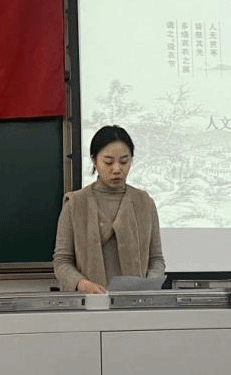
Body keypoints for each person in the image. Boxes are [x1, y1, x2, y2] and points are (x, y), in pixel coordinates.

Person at [52, 125, 165, 293]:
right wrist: (82, 283)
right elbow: (62, 261)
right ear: (94, 161)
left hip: (135, 302)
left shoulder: (144, 203)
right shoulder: (75, 204)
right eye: (108, 162)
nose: (117, 169)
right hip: (89, 302)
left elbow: (156, 259)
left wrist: (149, 283)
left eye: (124, 161)